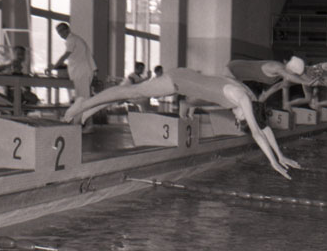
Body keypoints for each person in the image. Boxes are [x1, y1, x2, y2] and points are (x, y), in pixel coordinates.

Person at [63, 68, 301, 180]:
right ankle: (83, 104)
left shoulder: (250, 98)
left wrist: (280, 155)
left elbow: (264, 128)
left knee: (133, 95)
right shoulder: (242, 99)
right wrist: (273, 162)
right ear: (246, 114)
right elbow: (258, 132)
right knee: (132, 92)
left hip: (186, 80)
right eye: (242, 121)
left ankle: (90, 108)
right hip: (179, 81)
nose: (238, 121)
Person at [49, 23, 97, 132]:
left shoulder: (72, 40)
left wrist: (54, 66)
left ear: (68, 29)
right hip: (82, 72)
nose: (60, 34)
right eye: (58, 32)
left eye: (62, 30)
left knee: (84, 100)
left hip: (82, 73)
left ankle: (89, 125)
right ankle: (81, 124)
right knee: (81, 100)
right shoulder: (75, 40)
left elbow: (65, 55)